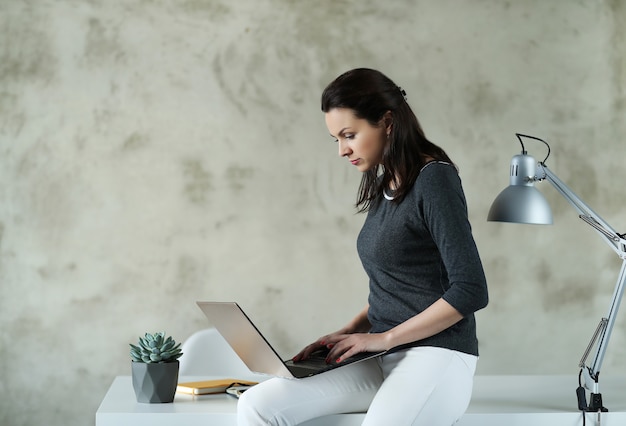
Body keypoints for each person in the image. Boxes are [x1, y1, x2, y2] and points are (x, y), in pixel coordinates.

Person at [237, 68, 489, 426]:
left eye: (349, 135)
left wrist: (383, 338)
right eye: (336, 139)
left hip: (438, 353)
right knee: (257, 405)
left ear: (387, 121)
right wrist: (346, 332)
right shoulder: (386, 184)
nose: (342, 150)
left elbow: (471, 290)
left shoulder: (435, 180)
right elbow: (397, 285)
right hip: (382, 356)